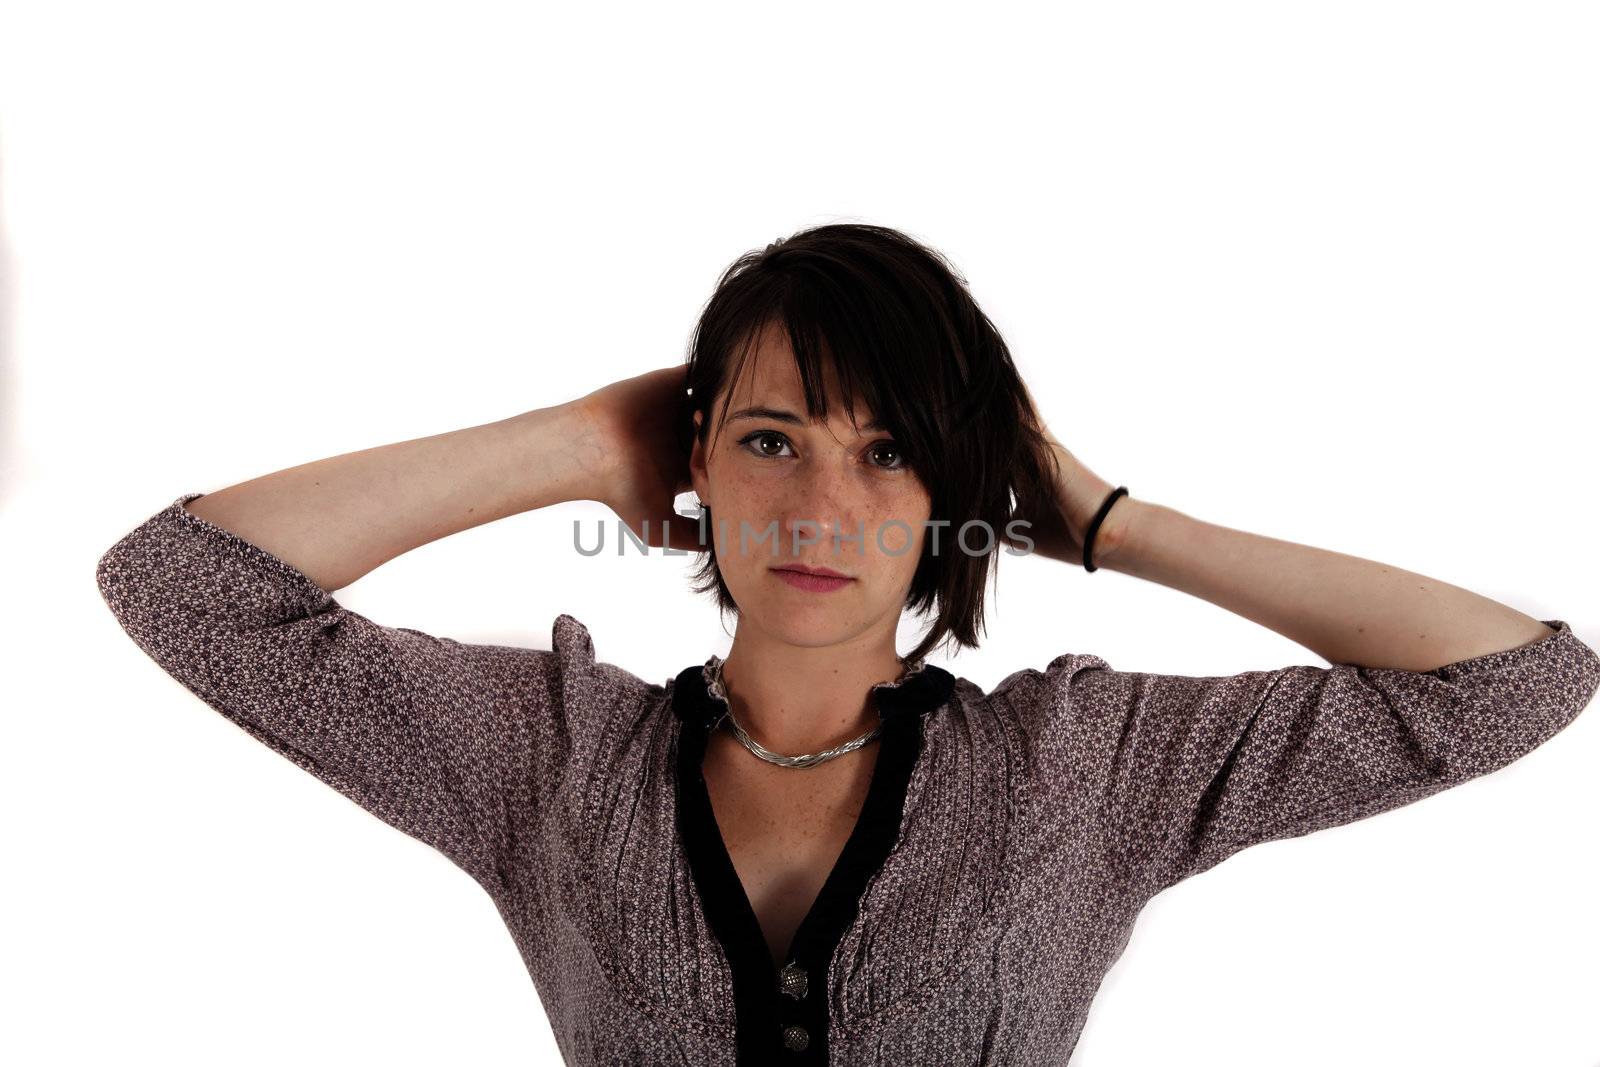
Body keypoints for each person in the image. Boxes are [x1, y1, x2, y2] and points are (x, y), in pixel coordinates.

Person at [95, 223, 1600, 1065]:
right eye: (770, 440)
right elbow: (184, 586)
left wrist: (1108, 520)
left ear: (960, 487)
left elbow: (1518, 681)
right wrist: (569, 441)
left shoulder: (1087, 766)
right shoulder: (545, 756)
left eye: (888, 454)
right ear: (699, 464)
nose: (821, 506)